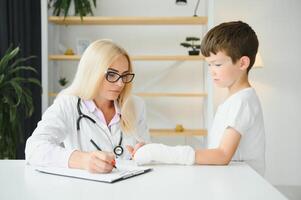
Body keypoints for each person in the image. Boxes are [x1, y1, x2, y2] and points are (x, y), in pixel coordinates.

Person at [134, 21, 265, 176]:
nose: (212, 71)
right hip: (231, 178)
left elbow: (222, 155)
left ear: (243, 63)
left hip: (244, 183)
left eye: (217, 64)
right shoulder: (234, 100)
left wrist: (160, 152)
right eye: (209, 65)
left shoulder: (243, 101)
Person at [25, 39, 150, 173]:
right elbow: (34, 148)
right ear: (92, 72)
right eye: (112, 74)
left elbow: (145, 150)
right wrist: (83, 160)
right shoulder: (67, 104)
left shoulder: (136, 105)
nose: (120, 83)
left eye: (124, 75)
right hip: (84, 190)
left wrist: (146, 152)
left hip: (128, 187)